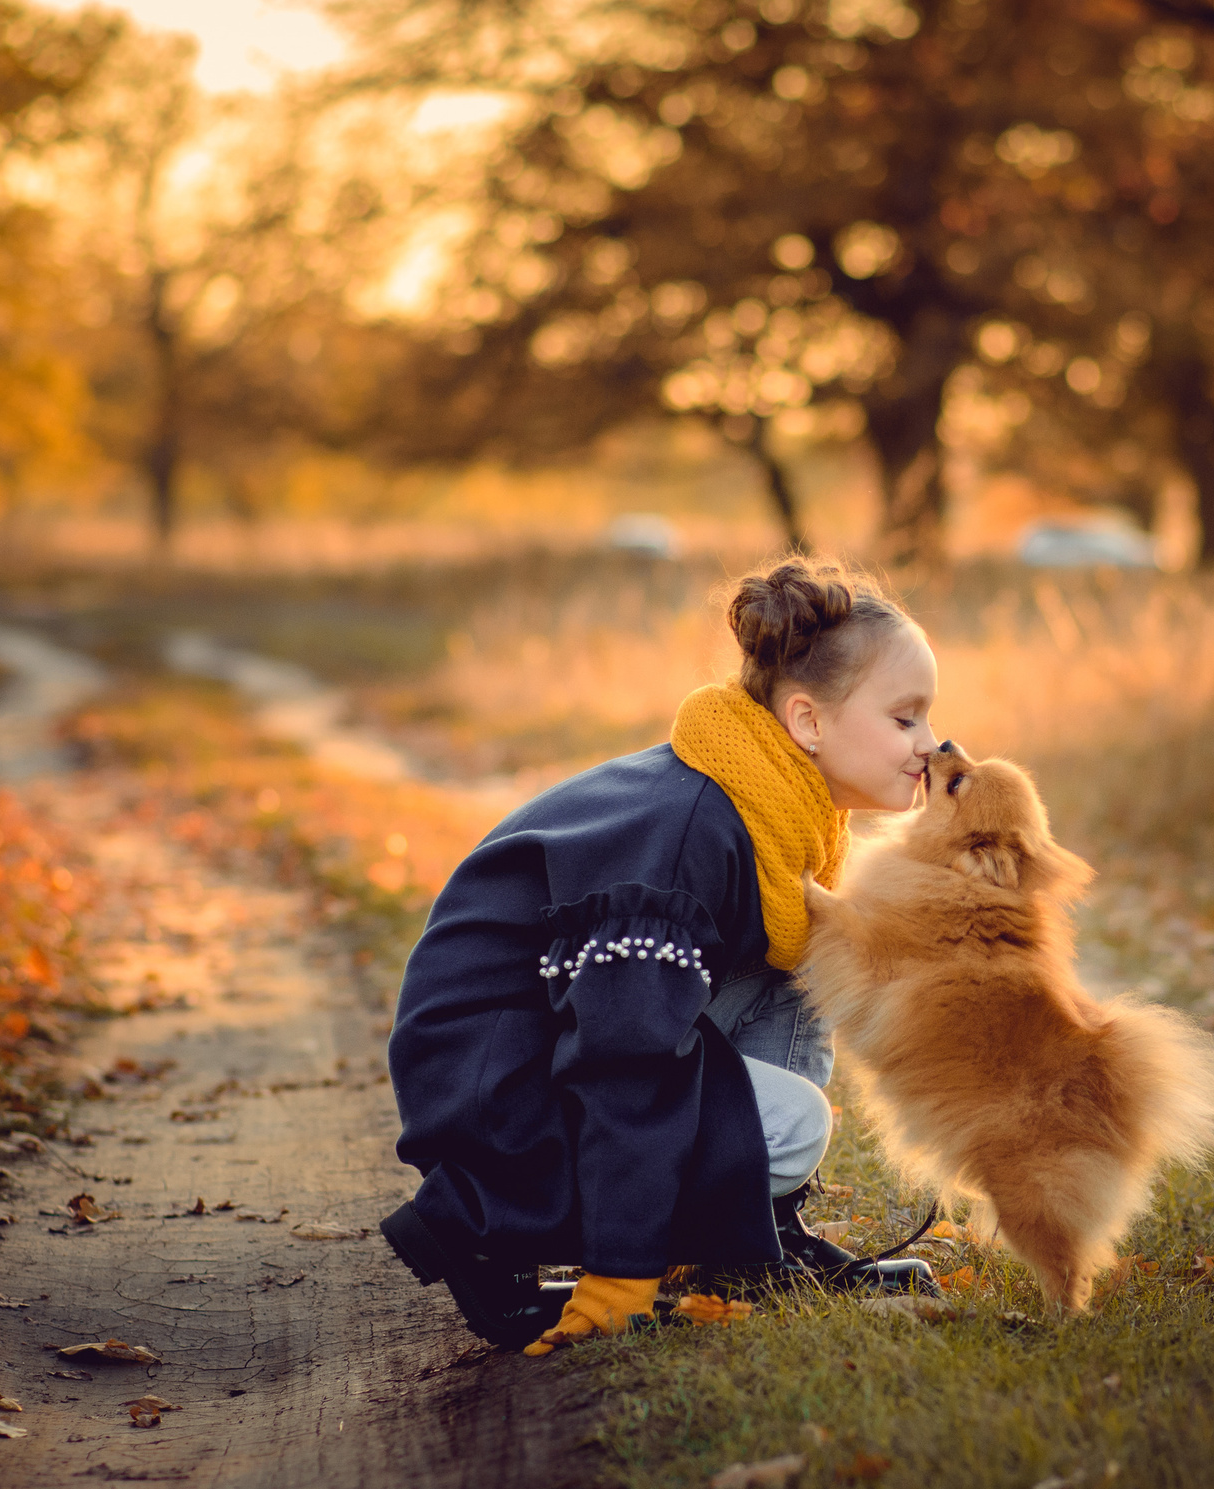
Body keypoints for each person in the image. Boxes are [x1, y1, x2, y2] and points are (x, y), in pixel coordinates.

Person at [378, 558, 942, 1354]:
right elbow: (624, 1059)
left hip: (546, 1037)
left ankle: (752, 1248)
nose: (930, 743)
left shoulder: (759, 801)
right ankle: (501, 1238)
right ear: (808, 722)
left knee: (808, 957)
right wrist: (621, 1268)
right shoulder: (687, 837)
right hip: (500, 1103)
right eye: (905, 719)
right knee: (795, 1123)